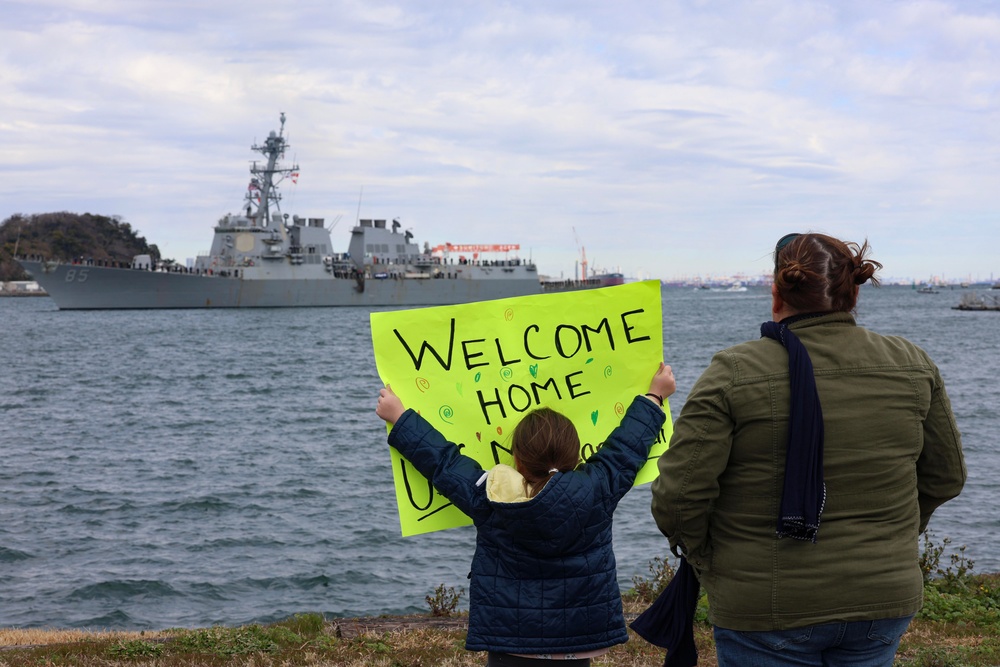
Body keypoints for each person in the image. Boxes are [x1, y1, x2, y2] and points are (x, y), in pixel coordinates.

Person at [649, 233, 966, 667]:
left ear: (776, 292)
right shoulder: (912, 362)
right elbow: (946, 477)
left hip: (764, 603)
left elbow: (679, 496)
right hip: (881, 596)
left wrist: (713, 560)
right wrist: (892, 535)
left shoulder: (734, 371)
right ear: (853, 291)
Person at [376, 362, 676, 666]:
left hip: (511, 642)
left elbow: (443, 463)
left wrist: (400, 418)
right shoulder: (598, 489)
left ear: (517, 460)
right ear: (576, 456)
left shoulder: (489, 496)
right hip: (578, 640)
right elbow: (626, 449)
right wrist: (655, 396)